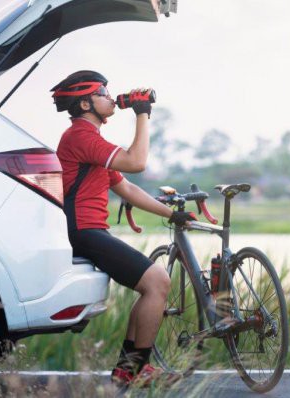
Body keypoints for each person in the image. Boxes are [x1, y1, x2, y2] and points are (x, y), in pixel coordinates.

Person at [52, 70, 196, 386]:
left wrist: (171, 215)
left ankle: (126, 371)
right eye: (103, 93)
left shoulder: (92, 142)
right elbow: (137, 161)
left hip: (92, 231)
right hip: (83, 231)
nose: (110, 96)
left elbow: (128, 188)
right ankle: (138, 370)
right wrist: (142, 114)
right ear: (86, 103)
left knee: (150, 286)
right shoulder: (80, 136)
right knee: (157, 281)